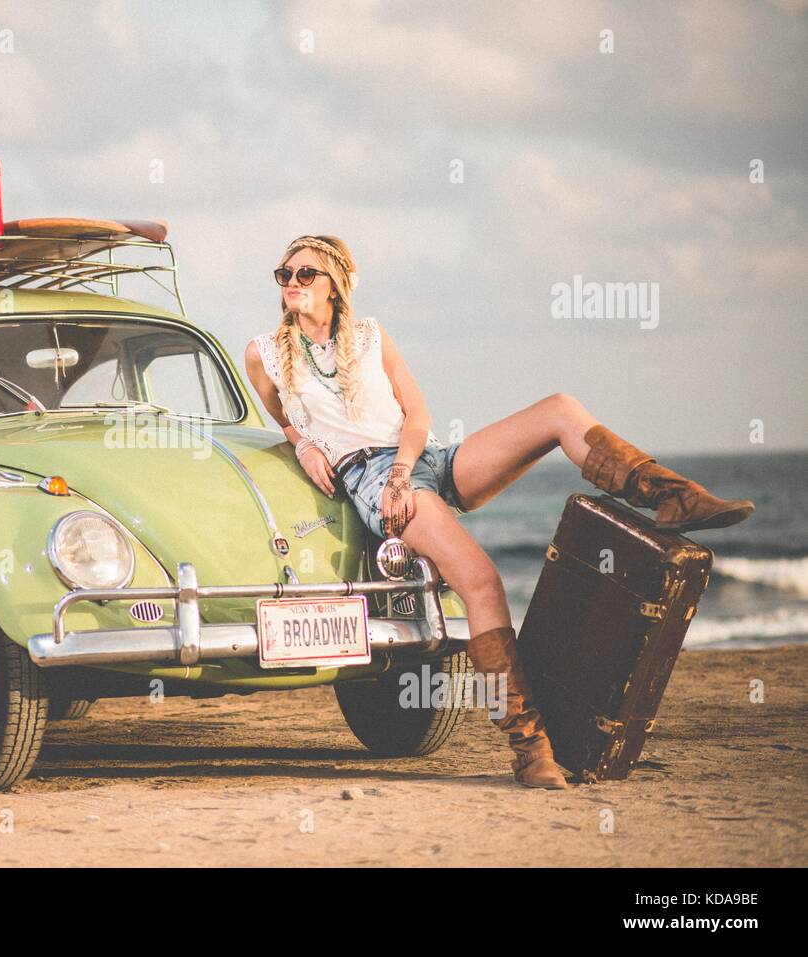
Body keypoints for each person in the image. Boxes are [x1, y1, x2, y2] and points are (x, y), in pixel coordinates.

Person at [244, 234, 754, 789]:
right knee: (482, 583)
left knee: (559, 409)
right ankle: (530, 747)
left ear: (336, 287)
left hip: (422, 460)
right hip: (371, 480)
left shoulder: (371, 337)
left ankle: (671, 496)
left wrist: (405, 469)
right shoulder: (264, 353)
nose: (291, 283)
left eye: (305, 274)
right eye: (284, 274)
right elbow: (286, 417)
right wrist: (304, 444)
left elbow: (416, 414)